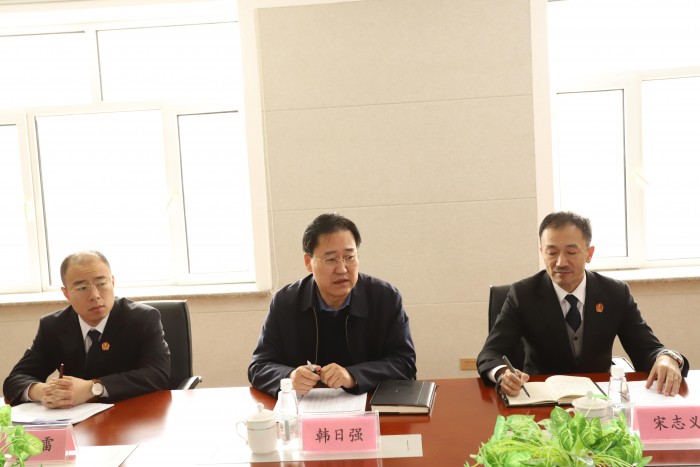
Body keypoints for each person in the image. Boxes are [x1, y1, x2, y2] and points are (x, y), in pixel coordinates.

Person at [477, 211, 689, 398]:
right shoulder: (523, 294)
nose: (561, 262)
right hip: (542, 397)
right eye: (552, 252)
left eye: (571, 252)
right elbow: (490, 353)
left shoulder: (615, 293)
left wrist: (667, 358)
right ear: (542, 252)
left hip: (598, 398)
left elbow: (646, 349)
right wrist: (502, 373)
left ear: (589, 253)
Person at [248, 213, 417, 398]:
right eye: (330, 259)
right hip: (305, 408)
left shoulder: (385, 298)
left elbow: (404, 364)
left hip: (368, 405)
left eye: (350, 257)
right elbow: (259, 367)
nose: (342, 269)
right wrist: (290, 377)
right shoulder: (286, 302)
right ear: (308, 262)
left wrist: (353, 376)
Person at [3, 250, 170, 408]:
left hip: (131, 415)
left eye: (101, 283)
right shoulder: (53, 326)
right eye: (82, 288)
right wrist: (44, 392)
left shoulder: (142, 318)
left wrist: (94, 388)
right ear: (66, 294)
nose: (95, 295)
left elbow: (158, 374)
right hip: (76, 420)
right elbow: (15, 380)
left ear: (112, 282)